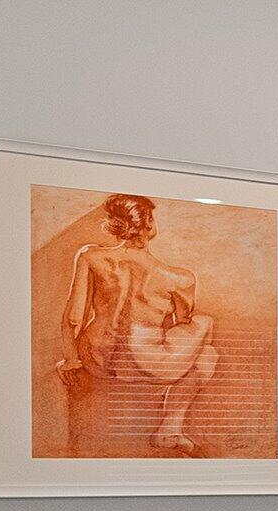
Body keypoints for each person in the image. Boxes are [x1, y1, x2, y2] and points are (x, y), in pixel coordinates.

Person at [57, 193, 220, 453]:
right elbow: (182, 322)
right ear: (149, 224)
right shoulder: (178, 278)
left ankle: (169, 428)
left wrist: (70, 359)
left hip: (95, 358)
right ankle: (170, 429)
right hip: (146, 363)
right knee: (206, 342)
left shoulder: (90, 256)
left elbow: (74, 318)